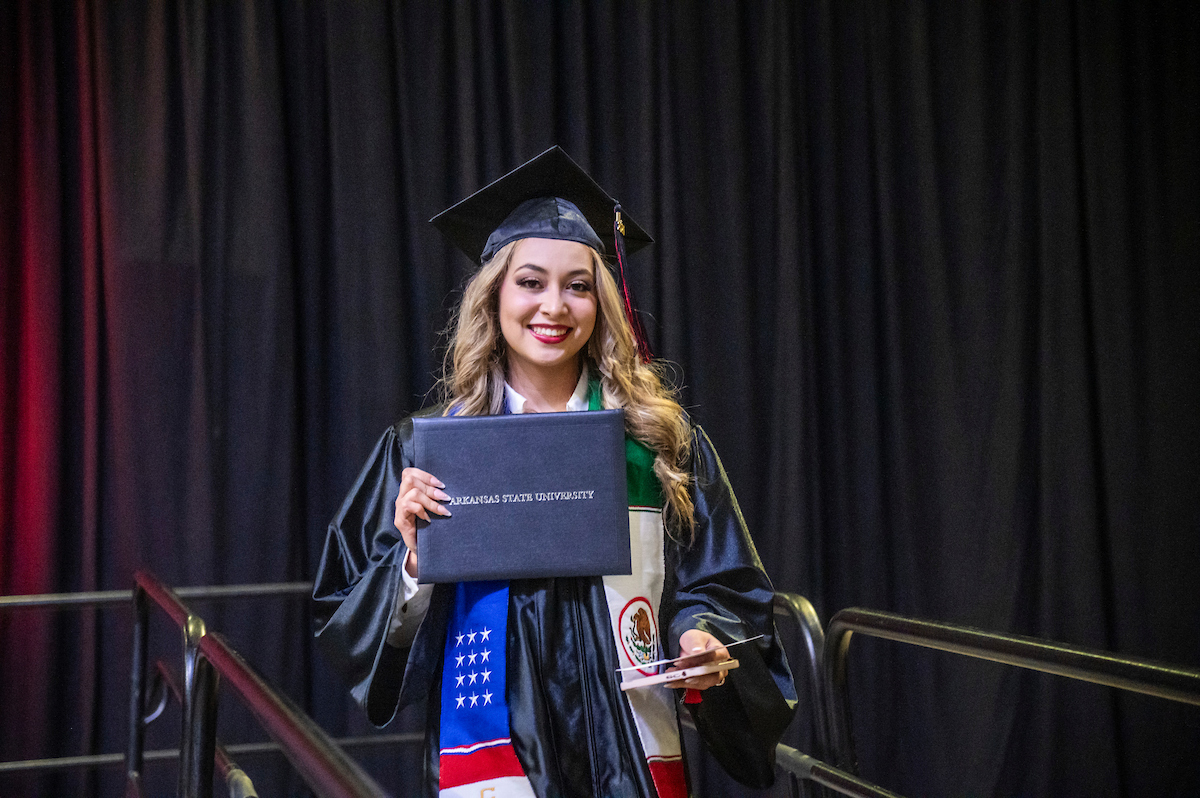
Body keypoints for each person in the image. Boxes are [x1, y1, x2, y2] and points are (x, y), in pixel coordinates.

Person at [312, 147, 796, 798]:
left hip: (630, 754)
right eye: (531, 281)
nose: (554, 307)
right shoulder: (427, 451)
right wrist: (413, 567)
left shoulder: (659, 444)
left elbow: (724, 586)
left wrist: (702, 636)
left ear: (604, 302)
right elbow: (347, 614)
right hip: (497, 757)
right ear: (495, 294)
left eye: (578, 285)